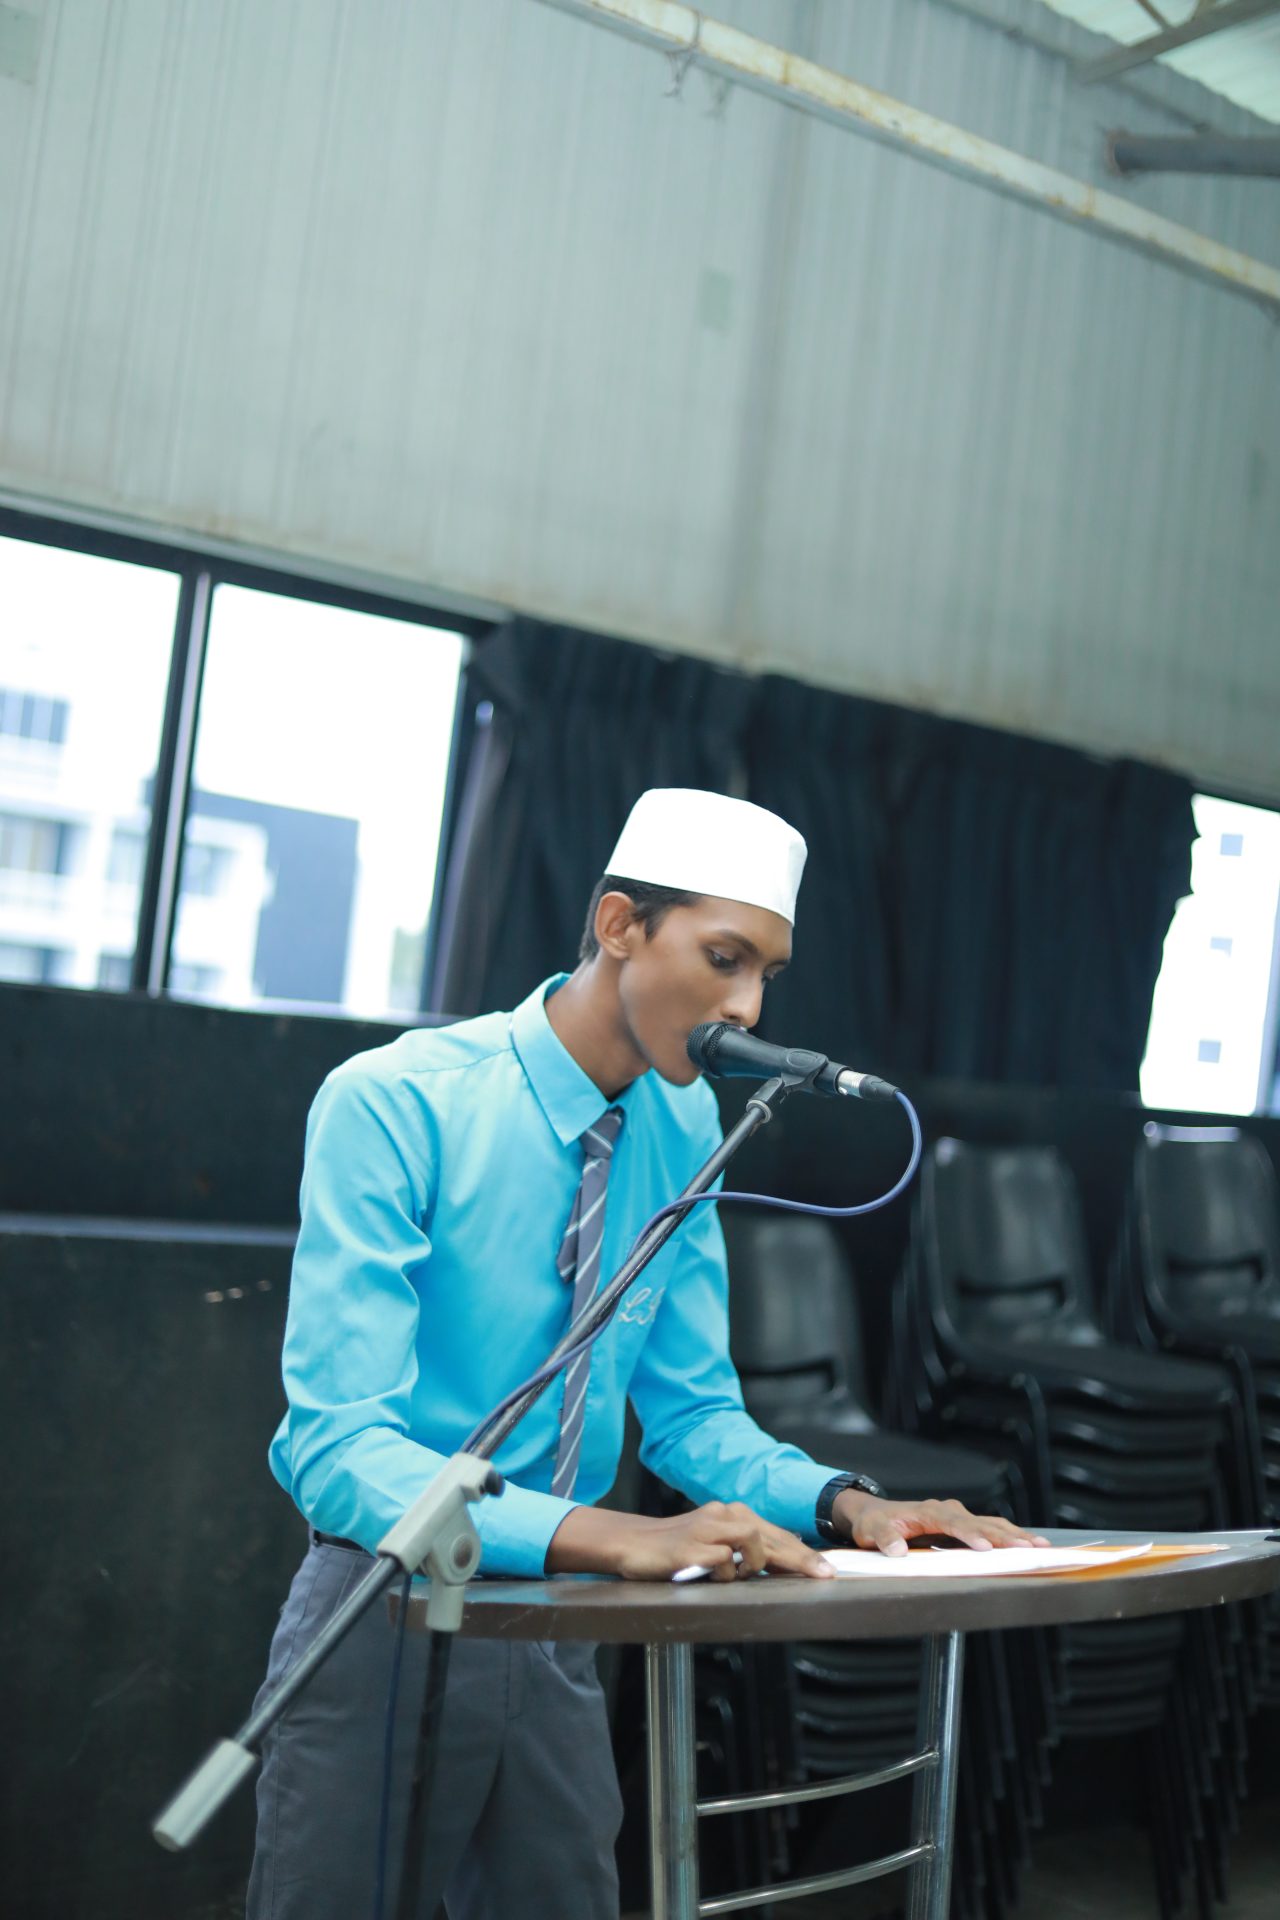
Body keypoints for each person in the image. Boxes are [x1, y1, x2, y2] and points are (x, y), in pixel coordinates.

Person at [247, 787, 1045, 1920]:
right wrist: (601, 1531)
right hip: (389, 1604)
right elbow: (336, 1447)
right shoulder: (393, 1103)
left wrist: (844, 1502)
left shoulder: (682, 1132)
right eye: (723, 958)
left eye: (767, 973)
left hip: (569, 1619)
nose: (746, 1004)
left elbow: (691, 1420)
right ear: (619, 924)